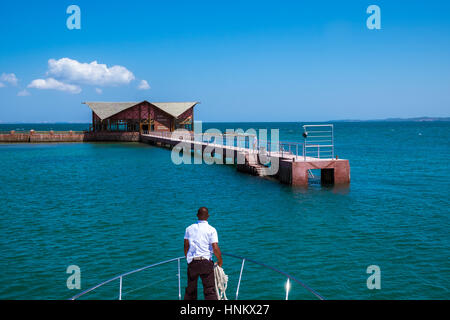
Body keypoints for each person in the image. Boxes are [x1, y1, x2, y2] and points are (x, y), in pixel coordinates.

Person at [184, 207, 223, 300]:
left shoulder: (189, 228)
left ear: (197, 215)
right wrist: (220, 261)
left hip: (192, 262)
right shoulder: (212, 230)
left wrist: (188, 259)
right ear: (208, 216)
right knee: (209, 290)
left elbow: (186, 245)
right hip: (206, 263)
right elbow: (215, 247)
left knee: (191, 291)